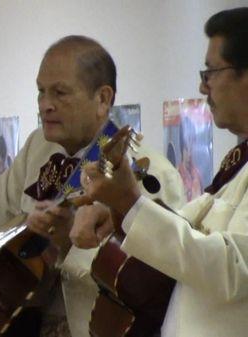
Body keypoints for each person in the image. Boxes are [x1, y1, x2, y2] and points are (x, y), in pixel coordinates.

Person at [0, 36, 184, 337]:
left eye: (60, 93)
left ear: (103, 99)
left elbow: (153, 286)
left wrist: (70, 246)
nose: (44, 105)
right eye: (41, 92)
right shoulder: (38, 148)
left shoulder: (149, 174)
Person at [79, 7, 248, 336]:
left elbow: (232, 268)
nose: (203, 87)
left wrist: (131, 204)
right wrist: (122, 212)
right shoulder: (239, 160)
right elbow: (191, 231)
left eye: (211, 72)